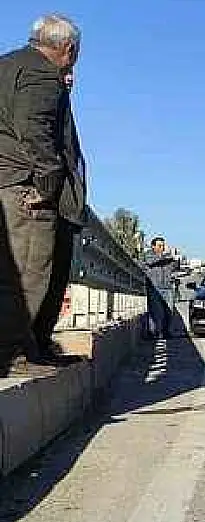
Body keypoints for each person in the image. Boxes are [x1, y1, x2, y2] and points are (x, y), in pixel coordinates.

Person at [0, 14, 82, 375]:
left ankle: (34, 346)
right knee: (29, 270)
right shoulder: (40, 74)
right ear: (68, 48)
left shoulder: (10, 66)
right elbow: (36, 130)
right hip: (26, 185)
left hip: (9, 179)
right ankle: (16, 352)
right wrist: (48, 183)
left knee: (20, 267)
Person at [31, 66, 87, 365]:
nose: (69, 78)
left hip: (66, 207)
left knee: (56, 278)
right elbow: (40, 148)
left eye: (71, 74)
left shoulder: (63, 108)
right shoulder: (40, 101)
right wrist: (45, 188)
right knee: (39, 276)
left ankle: (41, 342)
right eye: (64, 71)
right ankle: (28, 347)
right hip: (51, 203)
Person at [143, 236, 178, 339]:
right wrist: (168, 256)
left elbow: (175, 267)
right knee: (155, 311)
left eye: (163, 245)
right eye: (159, 245)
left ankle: (166, 331)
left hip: (167, 287)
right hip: (154, 287)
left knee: (169, 311)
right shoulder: (149, 255)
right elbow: (152, 262)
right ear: (153, 246)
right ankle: (153, 333)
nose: (162, 247)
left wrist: (176, 260)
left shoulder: (167, 257)